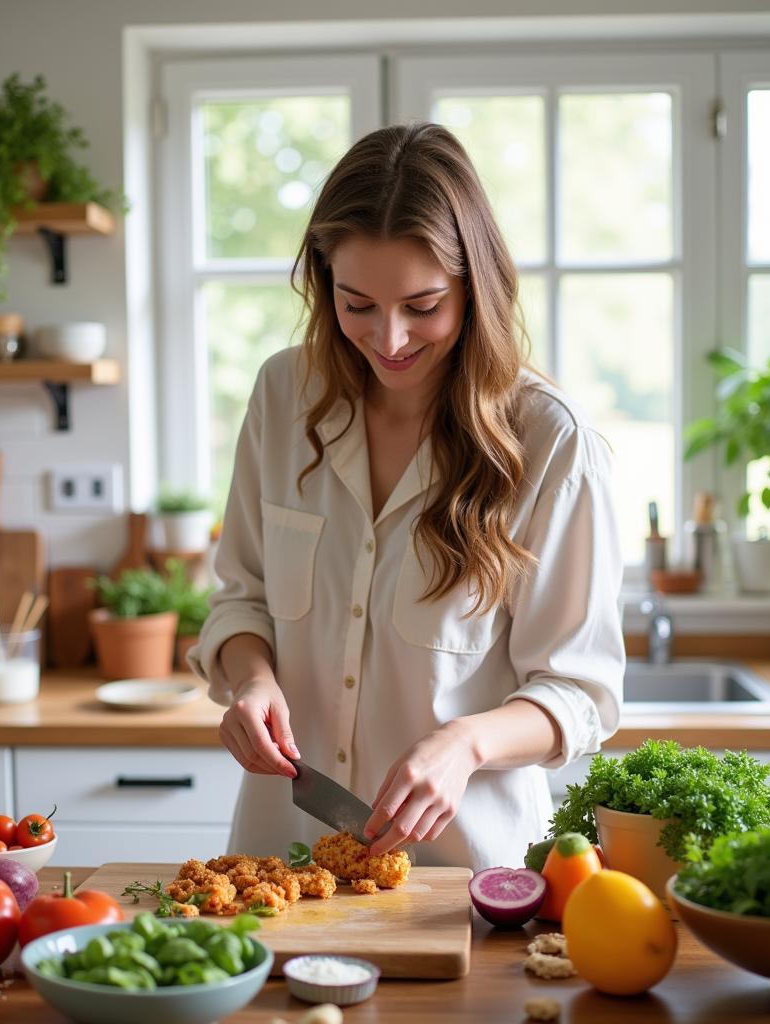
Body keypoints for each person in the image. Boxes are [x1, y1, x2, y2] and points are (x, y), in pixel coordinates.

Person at [187, 121, 624, 871]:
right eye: (358, 305)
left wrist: (467, 743)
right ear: (325, 283)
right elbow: (241, 597)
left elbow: (581, 692)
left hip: (464, 878)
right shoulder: (282, 396)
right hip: (278, 866)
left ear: (475, 286)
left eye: (422, 306)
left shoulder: (551, 441)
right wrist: (251, 679)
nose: (388, 339)